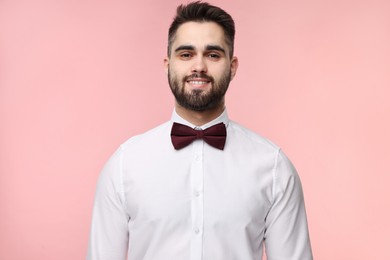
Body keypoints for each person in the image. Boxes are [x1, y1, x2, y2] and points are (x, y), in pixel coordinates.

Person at [87, 1, 313, 260]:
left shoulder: (273, 168)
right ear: (167, 65)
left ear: (233, 66)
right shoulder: (124, 165)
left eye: (213, 55)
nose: (199, 66)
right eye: (186, 54)